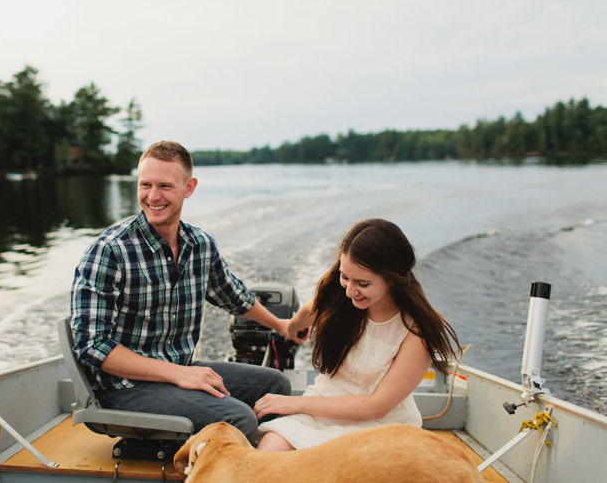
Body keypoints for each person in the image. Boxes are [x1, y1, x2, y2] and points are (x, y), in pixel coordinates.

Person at [71, 141, 292, 442]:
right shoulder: (109, 252)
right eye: (145, 185)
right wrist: (177, 373)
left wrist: (281, 326)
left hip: (178, 371)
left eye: (165, 186)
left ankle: (260, 465)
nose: (153, 196)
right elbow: (91, 345)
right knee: (239, 418)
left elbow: (234, 295)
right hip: (121, 388)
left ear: (189, 188)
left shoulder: (200, 245)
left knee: (276, 387)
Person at [254, 218, 461, 451]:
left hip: (378, 424)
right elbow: (306, 312)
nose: (350, 291)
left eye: (362, 283)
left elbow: (377, 406)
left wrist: (295, 404)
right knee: (268, 455)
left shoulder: (417, 332)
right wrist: (291, 329)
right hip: (319, 407)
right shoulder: (340, 299)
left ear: (392, 278)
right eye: (345, 277)